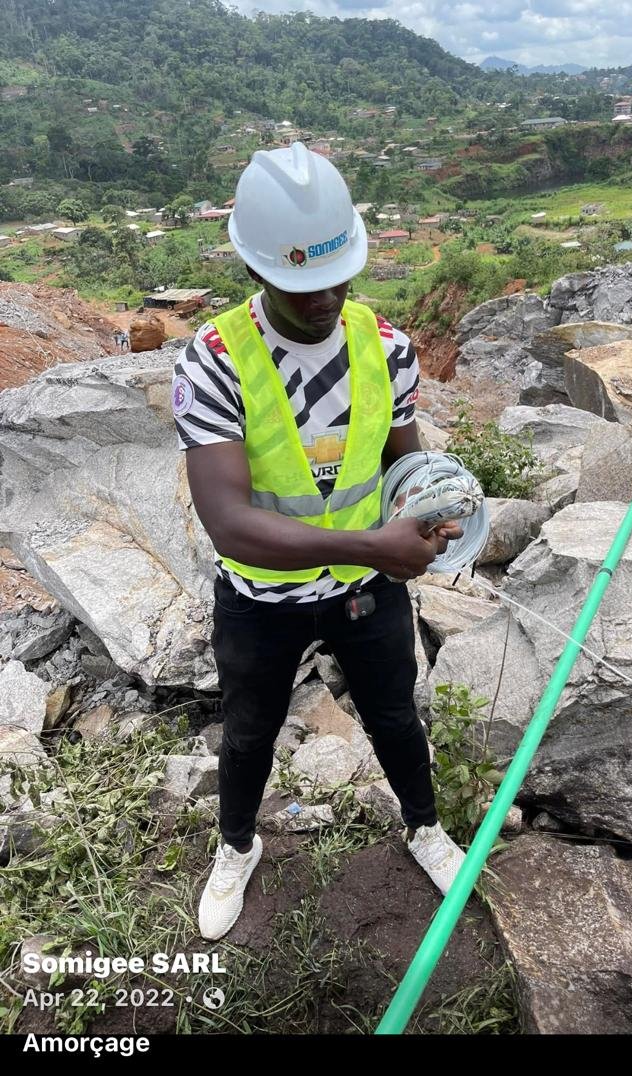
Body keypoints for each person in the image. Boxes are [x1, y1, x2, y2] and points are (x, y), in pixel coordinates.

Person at [171, 142, 467, 942]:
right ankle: (236, 845)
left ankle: (424, 828)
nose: (325, 298)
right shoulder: (217, 360)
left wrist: (440, 506)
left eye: (338, 278)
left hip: (365, 593)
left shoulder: (387, 346)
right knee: (248, 731)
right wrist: (379, 547)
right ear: (255, 268)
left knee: (393, 716)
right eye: (301, 285)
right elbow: (230, 521)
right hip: (262, 599)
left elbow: (404, 457)